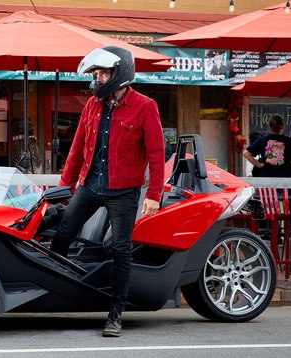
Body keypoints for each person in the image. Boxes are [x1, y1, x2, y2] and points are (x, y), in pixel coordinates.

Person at [49, 46, 165, 338]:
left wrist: (153, 194)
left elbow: (156, 153)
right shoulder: (92, 105)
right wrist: (65, 186)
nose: (98, 79)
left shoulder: (145, 106)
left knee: (120, 251)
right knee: (62, 235)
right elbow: (77, 149)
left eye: (102, 73)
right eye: (96, 74)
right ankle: (56, 293)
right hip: (89, 185)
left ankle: (115, 315)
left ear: (119, 73)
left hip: (123, 191)